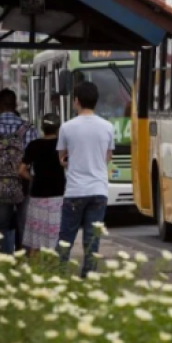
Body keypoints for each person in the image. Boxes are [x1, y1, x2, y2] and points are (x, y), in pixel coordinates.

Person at [56, 81, 114, 277]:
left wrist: (72, 160)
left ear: (77, 101)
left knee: (66, 237)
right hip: (99, 190)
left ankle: (59, 275)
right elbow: (107, 157)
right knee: (92, 240)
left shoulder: (66, 127)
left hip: (75, 191)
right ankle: (88, 278)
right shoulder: (108, 127)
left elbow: (62, 159)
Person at [0, 89, 38, 254]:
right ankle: (26, 267)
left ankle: (4, 265)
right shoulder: (28, 129)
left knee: (0, 228)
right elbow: (35, 161)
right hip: (24, 184)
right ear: (15, 106)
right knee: (25, 227)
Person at [18, 113, 65, 256]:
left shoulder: (34, 145)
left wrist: (33, 178)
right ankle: (52, 271)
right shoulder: (62, 146)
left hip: (37, 195)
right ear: (58, 128)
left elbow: (21, 170)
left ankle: (34, 271)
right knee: (54, 237)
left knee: (36, 238)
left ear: (42, 128)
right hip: (57, 196)